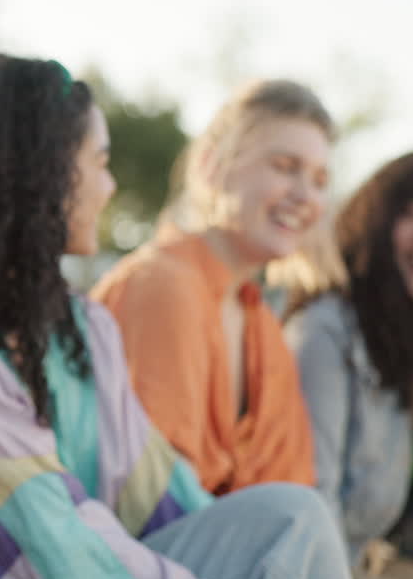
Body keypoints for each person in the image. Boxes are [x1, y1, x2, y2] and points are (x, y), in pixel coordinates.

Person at [0, 54, 358, 579]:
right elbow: (46, 552)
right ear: (38, 172)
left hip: (109, 571)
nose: (111, 186)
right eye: (99, 162)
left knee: (291, 521)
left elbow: (161, 496)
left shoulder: (79, 329)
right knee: (293, 527)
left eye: (319, 179)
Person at [91, 79, 333, 494]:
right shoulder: (165, 284)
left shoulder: (263, 328)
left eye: (319, 180)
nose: (305, 195)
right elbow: (154, 495)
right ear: (212, 166)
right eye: (284, 167)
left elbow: (289, 487)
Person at [281, 151, 413, 579]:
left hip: (391, 562)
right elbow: (310, 496)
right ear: (376, 222)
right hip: (322, 564)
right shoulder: (327, 331)